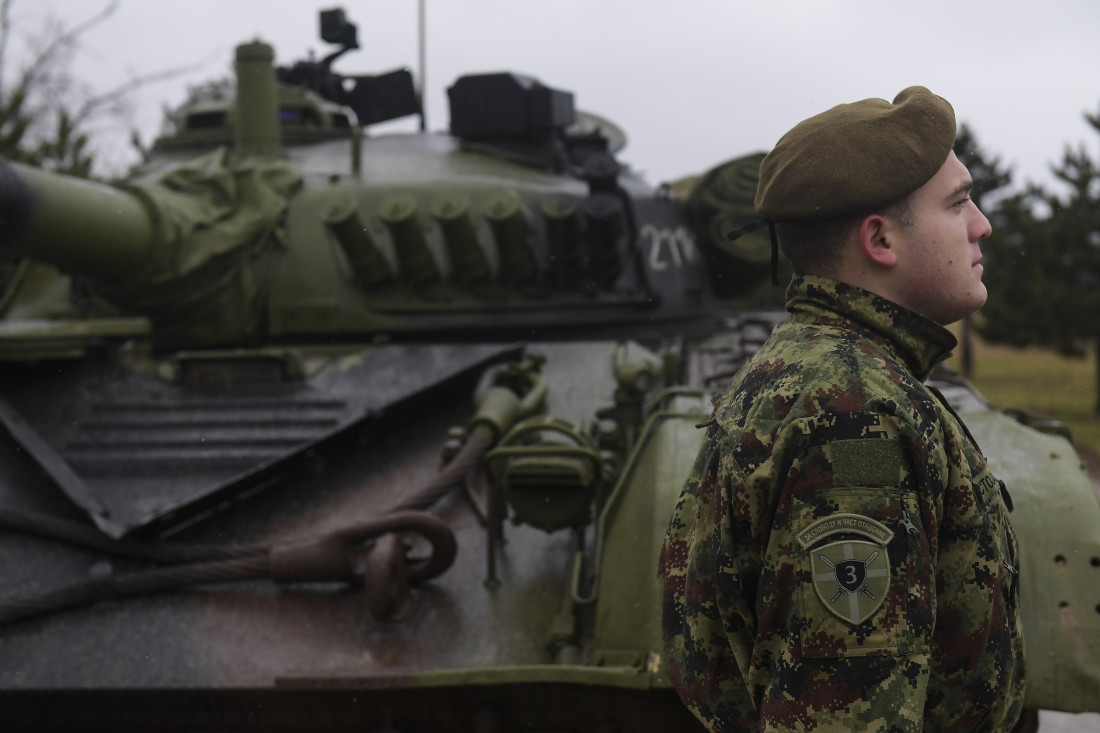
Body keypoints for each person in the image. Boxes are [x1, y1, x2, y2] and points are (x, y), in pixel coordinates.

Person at [659, 87, 1025, 731]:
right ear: (880, 239)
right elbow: (844, 710)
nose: (982, 225)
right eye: (959, 203)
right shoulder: (855, 412)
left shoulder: (809, 368)